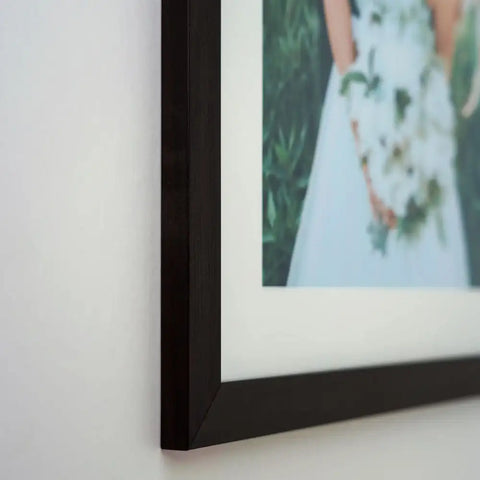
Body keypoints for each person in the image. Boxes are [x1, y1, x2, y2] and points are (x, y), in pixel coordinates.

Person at [287, 0, 469, 287]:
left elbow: (444, 46)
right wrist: (368, 158)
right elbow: (338, 21)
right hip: (358, 90)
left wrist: (422, 140)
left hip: (423, 106)